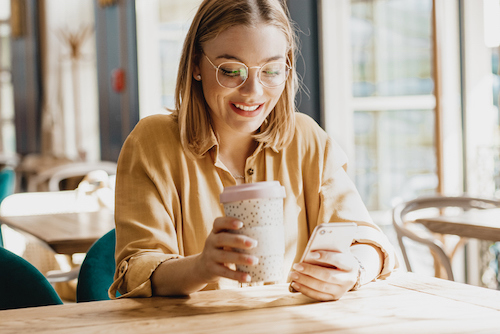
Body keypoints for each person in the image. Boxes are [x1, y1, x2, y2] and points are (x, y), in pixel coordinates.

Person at [109, 0, 397, 302]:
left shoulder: (306, 139)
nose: (253, 91)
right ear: (196, 65)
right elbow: (135, 272)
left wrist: (354, 269)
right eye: (231, 70)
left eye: (271, 71)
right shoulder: (152, 142)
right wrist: (201, 267)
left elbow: (370, 239)